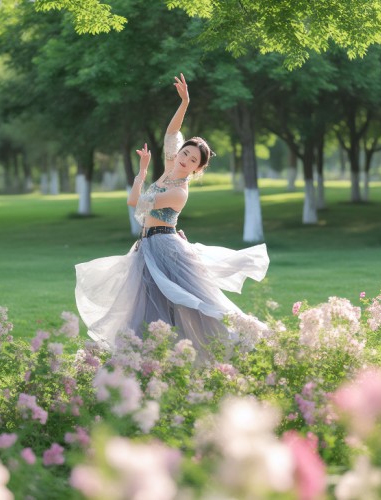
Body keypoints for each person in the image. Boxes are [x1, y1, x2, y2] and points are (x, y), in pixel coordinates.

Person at [74, 74, 269, 362]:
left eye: (192, 161)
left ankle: (238, 342)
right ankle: (145, 357)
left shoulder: (179, 192)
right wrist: (185, 102)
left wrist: (141, 173)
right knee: (145, 305)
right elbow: (171, 131)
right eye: (185, 153)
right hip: (147, 246)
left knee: (194, 302)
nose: (185, 160)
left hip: (165, 247)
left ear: (196, 169)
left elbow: (135, 202)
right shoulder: (169, 168)